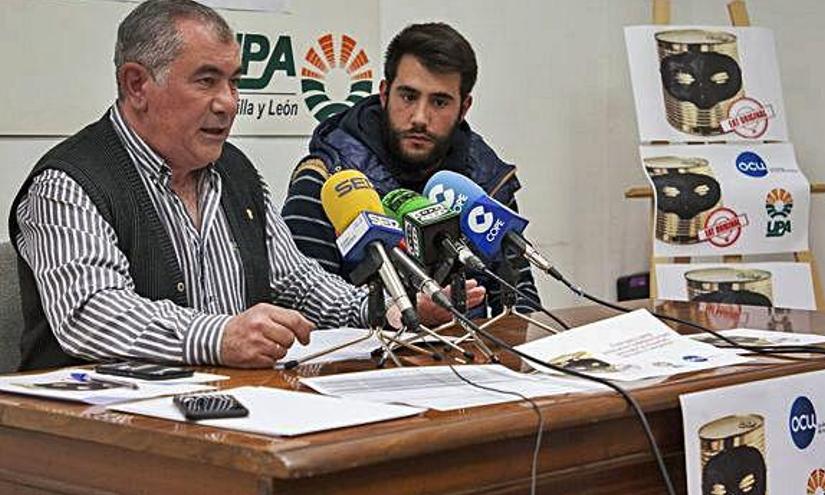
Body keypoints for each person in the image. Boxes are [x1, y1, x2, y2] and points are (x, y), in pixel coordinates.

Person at [8, 0, 483, 371]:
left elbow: (297, 283)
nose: (228, 103)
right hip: (98, 446)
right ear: (137, 85)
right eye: (207, 81)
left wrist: (388, 312)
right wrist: (219, 337)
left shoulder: (234, 171)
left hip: (228, 420)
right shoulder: (67, 184)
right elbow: (92, 314)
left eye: (234, 82)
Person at [281, 22, 541, 317]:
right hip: (368, 357)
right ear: (384, 94)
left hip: (479, 356)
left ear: (464, 108)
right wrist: (401, 315)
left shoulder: (486, 184)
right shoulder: (327, 181)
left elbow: (521, 302)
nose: (420, 117)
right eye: (408, 96)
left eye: (439, 102)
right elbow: (301, 307)